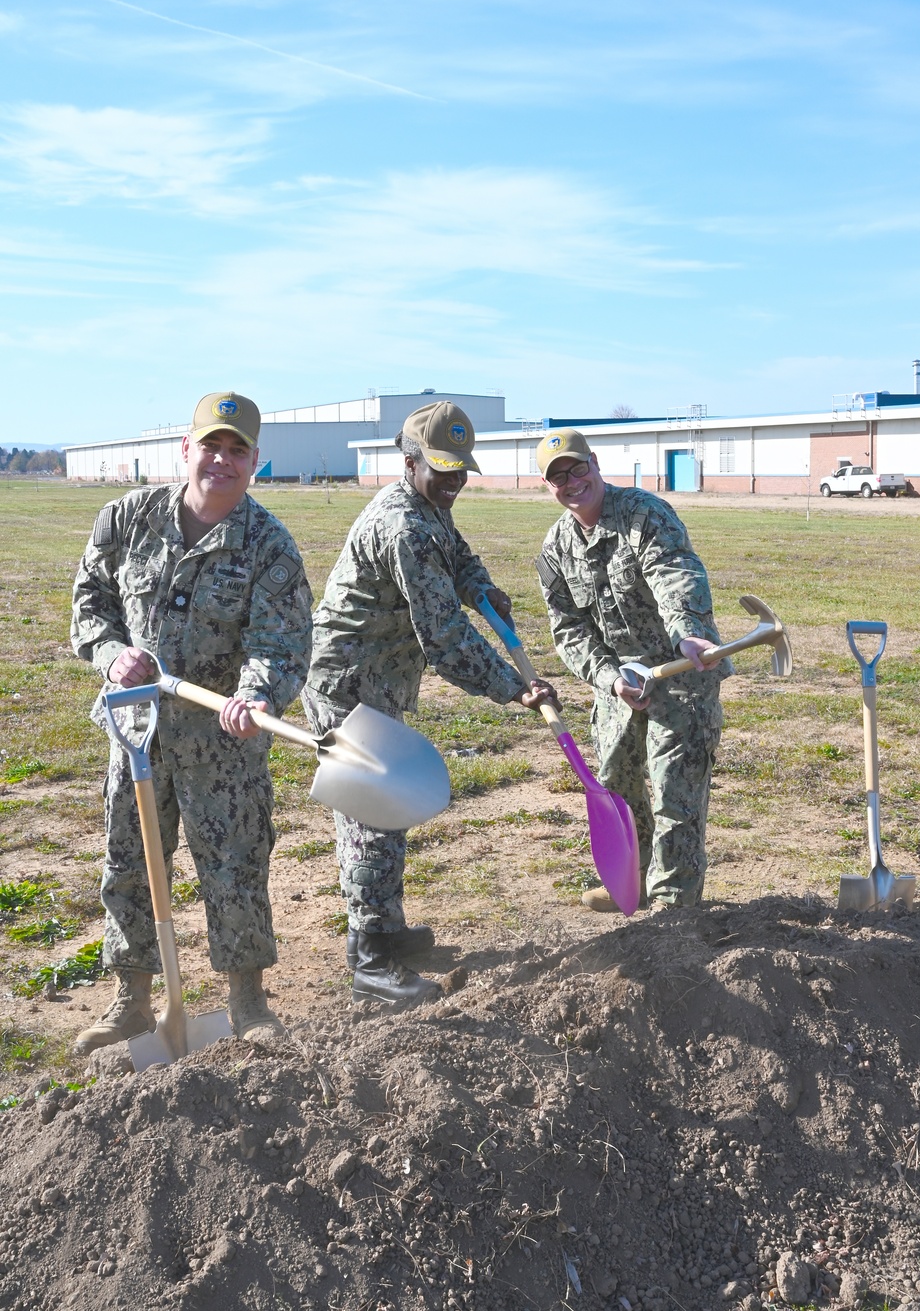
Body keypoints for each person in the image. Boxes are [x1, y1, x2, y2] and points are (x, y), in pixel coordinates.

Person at [71, 391, 313, 1053]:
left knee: (235, 867)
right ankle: (133, 1001)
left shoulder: (270, 547)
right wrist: (113, 654)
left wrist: (254, 694)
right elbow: (90, 602)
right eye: (212, 445)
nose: (222, 460)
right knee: (129, 862)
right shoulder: (127, 518)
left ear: (255, 462)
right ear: (187, 448)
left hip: (221, 742)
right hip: (136, 729)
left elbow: (281, 644)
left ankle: (246, 1000)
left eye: (238, 450)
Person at [303, 400, 558, 1006]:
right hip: (347, 682)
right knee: (371, 811)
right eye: (441, 470)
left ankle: (387, 927)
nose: (453, 482)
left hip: (380, 678)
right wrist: (513, 686)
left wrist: (482, 588)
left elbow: (458, 558)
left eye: (461, 469)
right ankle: (369, 959)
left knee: (387, 809)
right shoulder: (406, 526)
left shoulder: (430, 509)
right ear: (410, 460)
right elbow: (445, 640)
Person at [534, 428, 731, 913]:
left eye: (577, 468)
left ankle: (673, 907)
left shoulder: (644, 513)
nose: (571, 481)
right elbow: (569, 630)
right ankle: (634, 881)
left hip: (680, 672)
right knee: (615, 783)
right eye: (558, 476)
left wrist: (686, 629)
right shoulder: (556, 547)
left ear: (595, 463)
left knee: (674, 793)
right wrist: (609, 679)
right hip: (620, 684)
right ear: (548, 486)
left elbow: (674, 572)